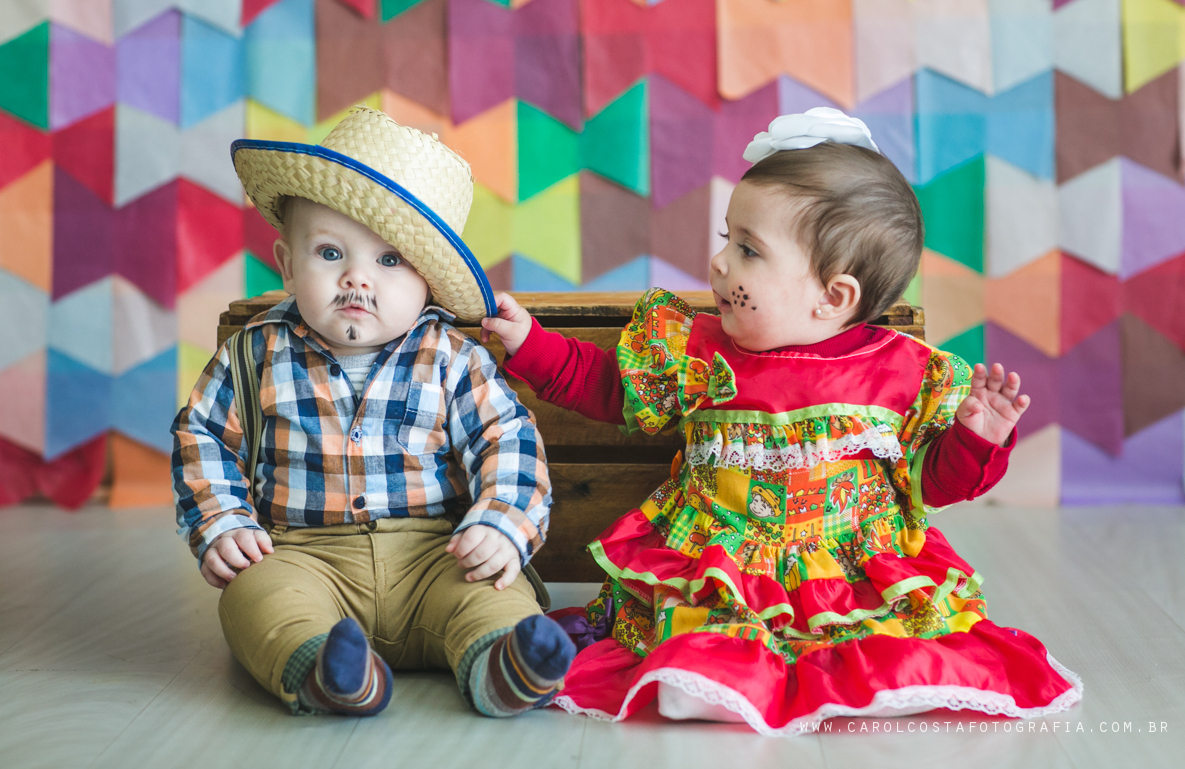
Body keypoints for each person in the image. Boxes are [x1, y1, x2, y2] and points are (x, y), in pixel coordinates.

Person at [479, 109, 1083, 735]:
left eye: (748, 250)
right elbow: (609, 387)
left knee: (889, 642)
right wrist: (530, 344)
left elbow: (932, 486)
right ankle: (709, 676)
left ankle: (871, 682)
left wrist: (976, 437)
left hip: (846, 569)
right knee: (705, 630)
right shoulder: (698, 351)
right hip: (723, 559)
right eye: (728, 238)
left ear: (833, 297)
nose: (719, 263)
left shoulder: (903, 372)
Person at [172, 107, 574, 718]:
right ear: (287, 265)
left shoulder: (452, 358)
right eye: (330, 252)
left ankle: (501, 661)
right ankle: (325, 668)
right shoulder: (254, 353)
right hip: (303, 556)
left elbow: (506, 438)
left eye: (389, 261)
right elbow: (203, 435)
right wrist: (223, 523)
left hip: (436, 556)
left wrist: (501, 523)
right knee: (255, 598)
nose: (357, 278)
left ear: (428, 284)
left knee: (493, 593)